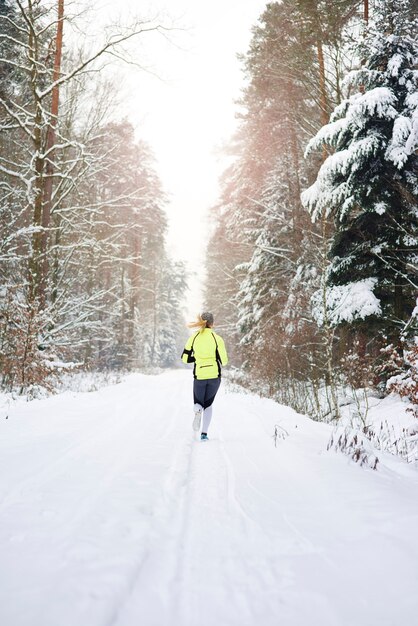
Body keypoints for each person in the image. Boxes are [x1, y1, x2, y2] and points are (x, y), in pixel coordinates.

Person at [181, 312, 228, 441]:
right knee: (208, 404)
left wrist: (196, 358)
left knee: (199, 402)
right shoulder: (217, 338)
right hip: (214, 376)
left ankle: (197, 410)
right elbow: (224, 361)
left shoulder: (194, 337)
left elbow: (184, 358)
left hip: (199, 375)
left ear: (200, 322)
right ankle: (204, 434)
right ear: (212, 323)